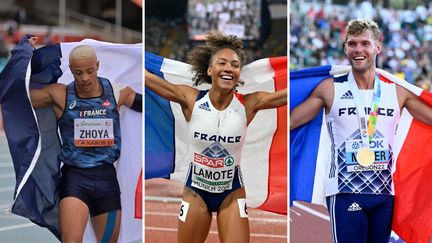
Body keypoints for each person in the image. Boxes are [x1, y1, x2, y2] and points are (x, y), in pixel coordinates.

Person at [291, 18, 432, 243]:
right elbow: (290, 122)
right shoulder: (330, 90)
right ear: (345, 48)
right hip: (345, 192)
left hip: (385, 196)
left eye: (365, 43)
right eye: (353, 43)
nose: (358, 49)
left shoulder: (397, 92)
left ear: (377, 47)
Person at [145, 32, 287, 243]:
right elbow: (150, 80)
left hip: (231, 195)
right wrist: (131, 61)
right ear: (210, 70)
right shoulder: (191, 99)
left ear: (239, 73)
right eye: (222, 63)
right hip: (196, 193)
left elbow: (288, 93)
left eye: (235, 65)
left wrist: (314, 77)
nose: (229, 68)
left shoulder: (249, 103)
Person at [27, 36, 142, 242]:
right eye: (79, 73)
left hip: (106, 180)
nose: (85, 78)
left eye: (90, 71)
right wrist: (24, 59)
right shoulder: (60, 95)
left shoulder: (116, 93)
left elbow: (149, 105)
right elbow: (19, 99)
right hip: (75, 179)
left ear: (97, 66)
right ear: (71, 70)